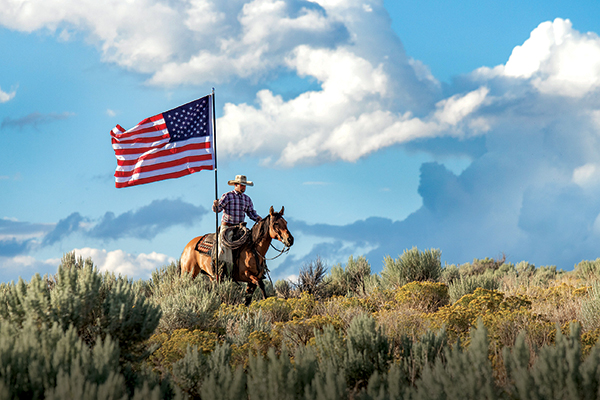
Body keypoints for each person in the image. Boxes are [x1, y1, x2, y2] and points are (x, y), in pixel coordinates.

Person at [212, 175, 262, 277]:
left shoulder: (247, 199)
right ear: (236, 185)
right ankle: (221, 270)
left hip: (240, 228)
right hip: (227, 227)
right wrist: (215, 205)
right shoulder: (227, 196)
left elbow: (251, 213)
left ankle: (255, 268)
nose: (244, 187)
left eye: (245, 185)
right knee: (224, 248)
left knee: (252, 244)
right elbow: (218, 210)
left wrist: (259, 219)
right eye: (242, 185)